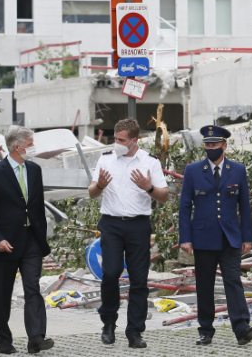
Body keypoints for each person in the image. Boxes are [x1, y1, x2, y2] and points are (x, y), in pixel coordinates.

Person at [89, 118, 169, 349]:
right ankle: (108, 323)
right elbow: (92, 193)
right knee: (111, 272)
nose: (117, 143)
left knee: (139, 279)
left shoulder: (149, 162)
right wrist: (100, 185)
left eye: (121, 140)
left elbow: (164, 196)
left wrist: (148, 187)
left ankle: (134, 331)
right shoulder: (105, 159)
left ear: (134, 140)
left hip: (138, 225)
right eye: (115, 139)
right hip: (111, 224)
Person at [179, 126, 252, 346]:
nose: (210, 148)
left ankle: (242, 329)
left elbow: (244, 206)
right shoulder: (193, 170)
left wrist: (247, 238)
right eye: (207, 145)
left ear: (224, 145)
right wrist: (185, 238)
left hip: (230, 237)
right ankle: (205, 330)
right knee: (204, 285)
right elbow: (185, 206)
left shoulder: (238, 170)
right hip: (203, 237)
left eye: (214, 144)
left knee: (233, 282)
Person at [0, 126, 54, 355]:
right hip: (5, 243)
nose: (33, 148)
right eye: (30, 144)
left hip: (31, 240)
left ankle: (36, 338)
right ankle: (4, 338)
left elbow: (37, 204)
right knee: (2, 293)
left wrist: (41, 235)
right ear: (17, 146)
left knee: (33, 288)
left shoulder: (34, 170)